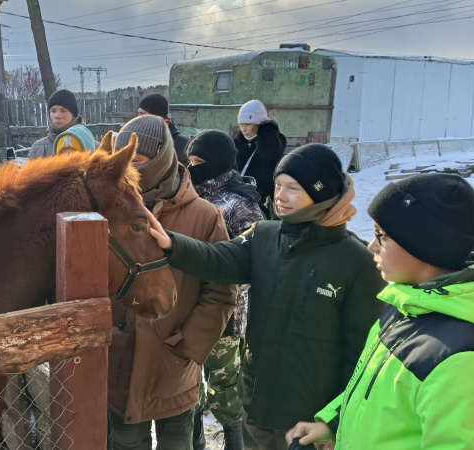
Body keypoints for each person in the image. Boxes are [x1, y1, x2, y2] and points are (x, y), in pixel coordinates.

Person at [145, 144, 386, 450]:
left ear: (321, 193)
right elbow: (217, 258)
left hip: (309, 423)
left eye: (294, 188)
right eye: (278, 185)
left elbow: (362, 357)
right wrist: (171, 244)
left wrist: (334, 421)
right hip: (256, 409)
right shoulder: (265, 236)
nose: (281, 196)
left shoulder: (356, 262)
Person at [287, 173, 474, 450]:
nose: (371, 246)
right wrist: (333, 424)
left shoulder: (466, 361)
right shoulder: (407, 304)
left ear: (424, 245)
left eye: (381, 236)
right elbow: (379, 393)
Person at [107, 115, 237, 449]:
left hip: (174, 365)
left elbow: (221, 290)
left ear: (162, 157)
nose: (127, 170)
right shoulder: (110, 209)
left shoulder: (205, 216)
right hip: (119, 363)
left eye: (136, 161)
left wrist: (189, 347)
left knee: (177, 441)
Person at [186, 130, 264, 450]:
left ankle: (235, 442)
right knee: (189, 384)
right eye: (189, 161)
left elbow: (252, 265)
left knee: (224, 388)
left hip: (225, 314)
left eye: (199, 162)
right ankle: (197, 443)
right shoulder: (189, 195)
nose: (191, 168)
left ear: (217, 162)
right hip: (187, 308)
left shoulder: (239, 204)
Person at [233, 100, 286, 207]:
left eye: (247, 124)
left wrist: (267, 128)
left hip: (263, 202)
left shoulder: (274, 140)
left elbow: (269, 153)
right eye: (241, 124)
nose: (243, 128)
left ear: (259, 124)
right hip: (237, 200)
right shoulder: (235, 142)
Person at [138, 93, 190, 167]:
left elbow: (186, 174)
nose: (138, 118)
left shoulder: (182, 145)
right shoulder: (138, 141)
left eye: (142, 114)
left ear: (156, 116)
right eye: (138, 114)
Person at [30, 89, 82, 159]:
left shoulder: (93, 147)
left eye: (63, 111)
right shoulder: (37, 148)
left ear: (73, 115)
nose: (57, 116)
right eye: (53, 111)